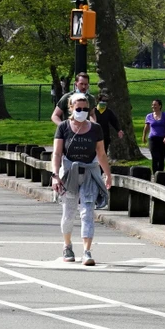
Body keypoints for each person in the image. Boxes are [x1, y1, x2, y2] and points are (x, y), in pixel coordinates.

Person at [51, 93, 111, 267]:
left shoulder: (95, 128)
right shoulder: (63, 127)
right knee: (69, 213)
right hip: (69, 173)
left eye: (85, 109)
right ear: (70, 108)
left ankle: (87, 251)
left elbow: (101, 153)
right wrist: (55, 175)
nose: (82, 112)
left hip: (90, 173)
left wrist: (107, 174)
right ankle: (67, 246)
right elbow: (57, 153)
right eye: (78, 109)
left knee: (87, 212)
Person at [142, 98, 165, 173]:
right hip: (153, 139)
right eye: (152, 105)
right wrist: (144, 136)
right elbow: (146, 128)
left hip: (162, 139)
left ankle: (160, 174)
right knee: (155, 157)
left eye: (155, 105)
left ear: (160, 106)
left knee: (161, 158)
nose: (153, 106)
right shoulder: (149, 116)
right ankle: (155, 174)